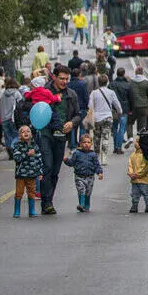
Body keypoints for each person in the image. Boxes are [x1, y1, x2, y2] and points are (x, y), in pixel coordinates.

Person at [37, 64, 84, 216]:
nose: (64, 82)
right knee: (47, 167)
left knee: (55, 171)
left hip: (61, 136)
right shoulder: (44, 91)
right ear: (55, 77)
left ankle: (49, 200)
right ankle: (46, 203)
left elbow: (78, 114)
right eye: (62, 79)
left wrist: (72, 123)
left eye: (66, 79)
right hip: (45, 133)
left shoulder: (71, 94)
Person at [64, 134, 104, 212]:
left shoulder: (93, 154)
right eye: (84, 142)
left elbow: (97, 165)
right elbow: (72, 163)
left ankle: (87, 205)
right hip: (79, 176)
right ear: (80, 143)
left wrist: (99, 173)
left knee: (88, 192)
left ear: (91, 144)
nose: (86, 144)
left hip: (90, 177)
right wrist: (66, 160)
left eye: (88, 142)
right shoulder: (77, 153)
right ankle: (81, 205)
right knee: (81, 190)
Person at [10, 124, 43, 219]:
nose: (26, 133)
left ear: (31, 134)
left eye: (28, 131)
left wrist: (40, 172)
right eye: (23, 132)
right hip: (21, 174)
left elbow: (39, 159)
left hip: (32, 174)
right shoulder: (17, 145)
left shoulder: (34, 145)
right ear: (20, 135)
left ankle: (32, 211)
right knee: (19, 192)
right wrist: (27, 154)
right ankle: (17, 211)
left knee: (31, 192)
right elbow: (17, 158)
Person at [90, 74, 120, 163]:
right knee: (106, 137)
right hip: (108, 117)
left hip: (97, 118)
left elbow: (89, 105)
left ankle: (96, 156)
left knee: (96, 137)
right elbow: (117, 104)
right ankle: (104, 158)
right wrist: (120, 112)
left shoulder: (94, 93)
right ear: (107, 82)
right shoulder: (111, 92)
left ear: (98, 82)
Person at [108, 67, 133, 153]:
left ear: (117, 74)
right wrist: (131, 109)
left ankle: (115, 147)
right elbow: (131, 98)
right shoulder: (128, 85)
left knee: (114, 127)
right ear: (124, 74)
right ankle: (119, 147)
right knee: (122, 128)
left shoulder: (111, 84)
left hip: (114, 109)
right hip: (124, 109)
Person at [126, 139, 148, 213]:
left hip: (144, 180)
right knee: (134, 194)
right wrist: (131, 173)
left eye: (138, 142)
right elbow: (130, 165)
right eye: (136, 142)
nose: (136, 143)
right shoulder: (133, 154)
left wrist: (136, 174)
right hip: (134, 179)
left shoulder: (146, 155)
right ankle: (134, 206)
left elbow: (145, 167)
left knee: (146, 193)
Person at [68, 63, 91, 150]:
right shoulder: (82, 84)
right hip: (81, 108)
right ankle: (82, 144)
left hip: (71, 108)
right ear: (79, 75)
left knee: (73, 127)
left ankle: (72, 144)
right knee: (82, 126)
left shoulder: (68, 84)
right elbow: (86, 96)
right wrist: (87, 106)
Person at [128, 65, 148, 137]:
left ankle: (130, 137)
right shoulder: (146, 82)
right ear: (142, 72)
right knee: (142, 125)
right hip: (143, 106)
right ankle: (141, 139)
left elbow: (128, 94)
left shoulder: (131, 82)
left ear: (135, 72)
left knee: (129, 122)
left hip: (133, 106)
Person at [0, 77, 23, 155]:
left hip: (4, 118)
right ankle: (13, 148)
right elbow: (20, 105)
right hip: (13, 117)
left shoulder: (3, 94)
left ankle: (9, 148)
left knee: (7, 135)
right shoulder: (17, 93)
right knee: (16, 134)